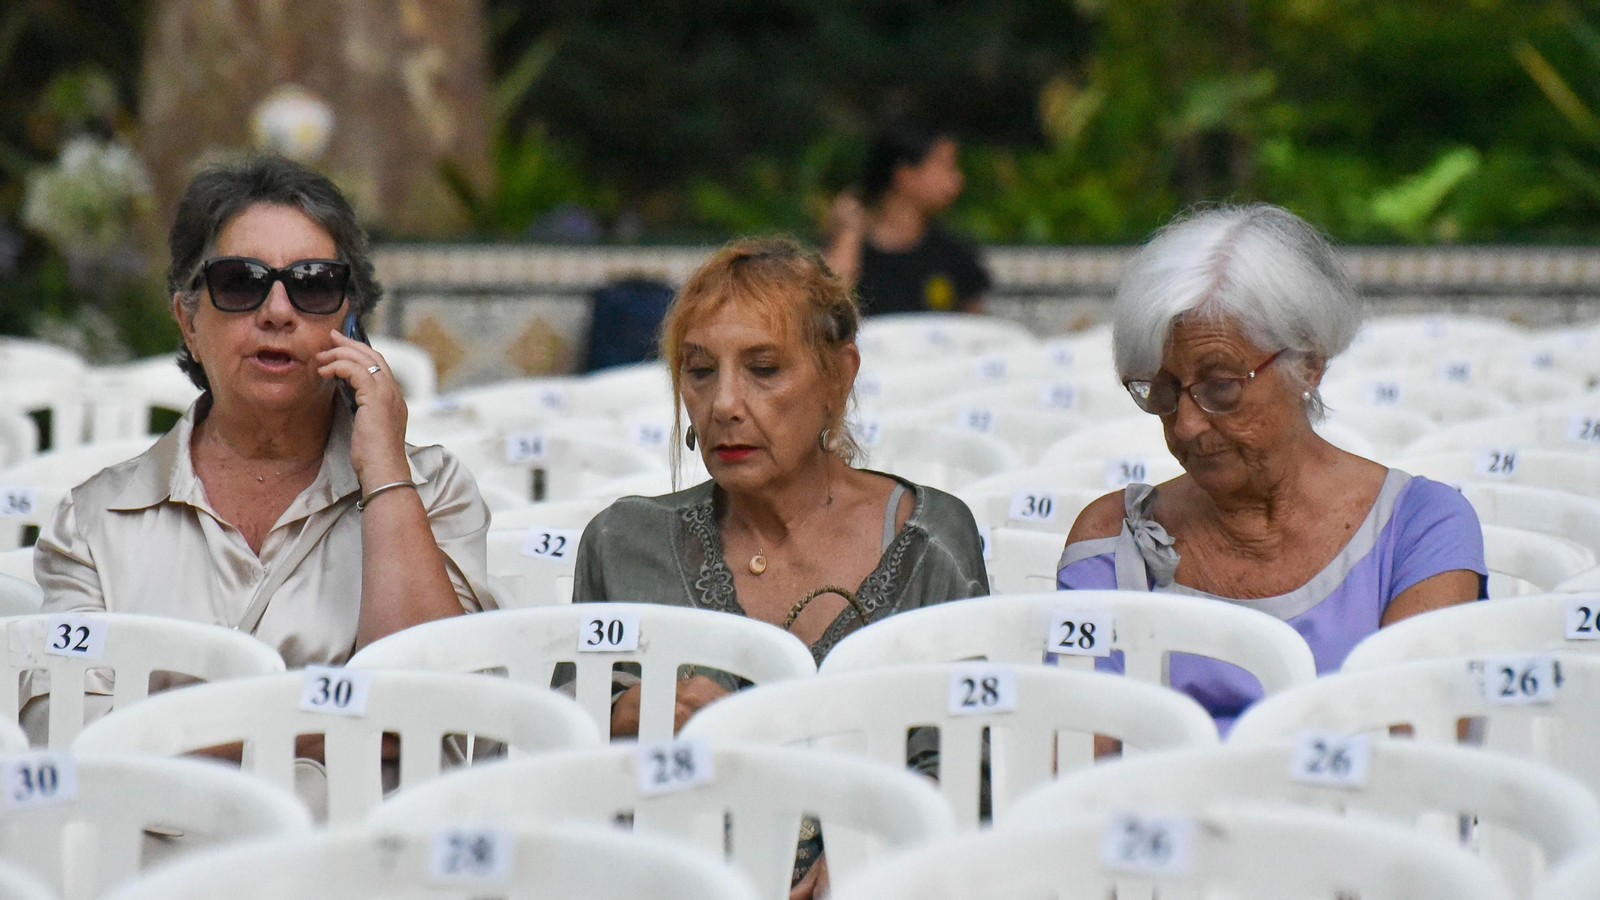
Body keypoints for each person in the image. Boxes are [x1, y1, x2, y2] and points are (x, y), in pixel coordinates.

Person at [574, 236, 988, 897]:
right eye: (700, 371)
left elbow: (977, 758)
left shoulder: (932, 540)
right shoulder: (626, 545)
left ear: (838, 376)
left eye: (764, 369)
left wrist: (876, 843)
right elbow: (560, 778)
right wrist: (617, 720)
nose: (725, 405)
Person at [29, 155, 491, 733]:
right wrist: (328, 732)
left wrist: (386, 474)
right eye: (240, 283)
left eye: (314, 286)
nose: (277, 311)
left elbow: (433, 718)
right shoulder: (94, 523)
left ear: (351, 324)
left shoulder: (432, 492)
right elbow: (71, 736)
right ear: (189, 322)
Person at [1057, 204, 1485, 732]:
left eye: (1220, 386)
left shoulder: (1422, 527)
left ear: (1308, 363)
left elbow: (1414, 758)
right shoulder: (1110, 541)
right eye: (1163, 392)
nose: (1186, 425)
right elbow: (1082, 781)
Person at [825, 126, 991, 315]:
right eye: (946, 166)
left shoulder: (954, 253)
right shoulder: (852, 249)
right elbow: (828, 308)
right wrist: (848, 234)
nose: (957, 179)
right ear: (904, 175)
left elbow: (976, 327)